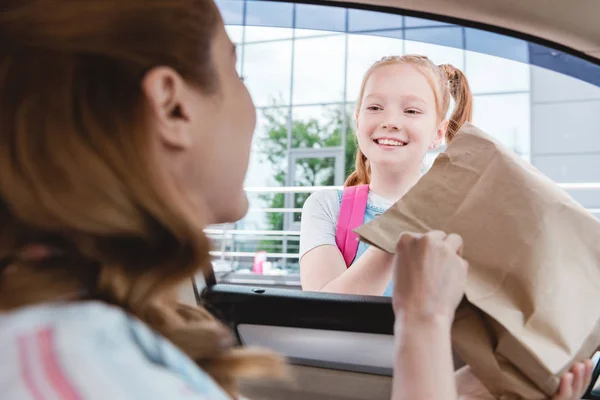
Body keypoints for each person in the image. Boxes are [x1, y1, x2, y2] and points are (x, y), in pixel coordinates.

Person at [0, 1, 592, 399]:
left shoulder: (101, 336)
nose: (254, 110)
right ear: (173, 106)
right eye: (239, 75)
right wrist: (424, 319)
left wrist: (484, 388)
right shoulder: (79, 360)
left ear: (440, 129)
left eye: (413, 110)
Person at [299, 55, 474, 297]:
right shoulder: (326, 206)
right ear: (358, 121)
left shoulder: (461, 216)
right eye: (375, 107)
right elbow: (323, 312)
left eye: (411, 110)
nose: (390, 121)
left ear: (438, 133)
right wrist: (399, 226)